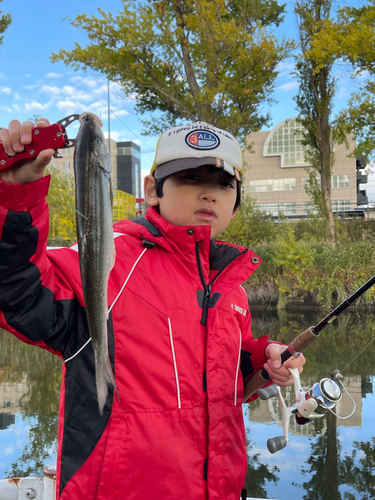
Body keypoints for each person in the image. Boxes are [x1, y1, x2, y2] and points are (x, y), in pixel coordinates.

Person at [0, 118, 305, 500]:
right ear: (152, 191)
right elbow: (18, 294)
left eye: (224, 184)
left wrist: (264, 359)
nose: (209, 193)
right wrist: (15, 194)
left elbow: (225, 379)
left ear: (236, 205)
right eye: (191, 177)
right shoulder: (106, 261)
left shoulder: (232, 289)